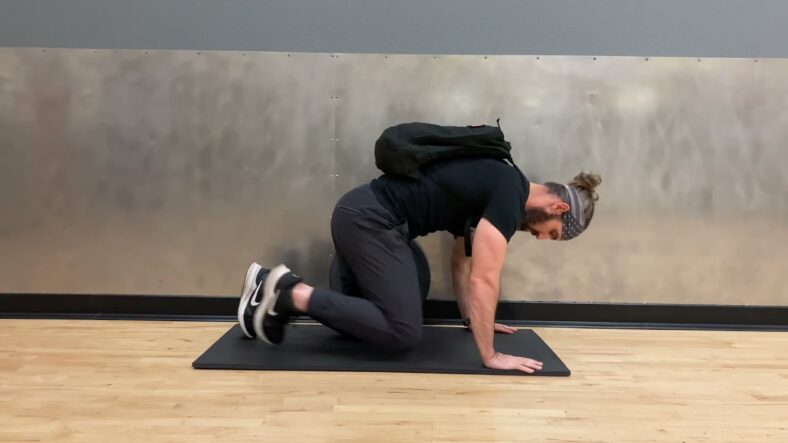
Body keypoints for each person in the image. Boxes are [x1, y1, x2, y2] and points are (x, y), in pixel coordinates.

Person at [237, 156, 601, 374]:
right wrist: (490, 354)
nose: (539, 237)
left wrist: (471, 318)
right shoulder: (510, 196)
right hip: (368, 221)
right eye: (550, 234)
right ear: (558, 208)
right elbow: (484, 279)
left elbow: (463, 259)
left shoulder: (500, 182)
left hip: (371, 222)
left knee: (404, 299)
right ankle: (285, 291)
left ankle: (281, 294)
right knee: (402, 333)